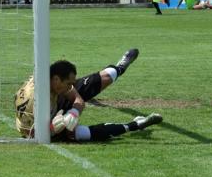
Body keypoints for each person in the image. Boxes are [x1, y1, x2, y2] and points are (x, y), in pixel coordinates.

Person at [14, 49, 163, 142]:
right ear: (56, 79)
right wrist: (53, 129)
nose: (71, 87)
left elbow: (78, 100)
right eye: (69, 84)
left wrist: (74, 112)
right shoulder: (34, 101)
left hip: (55, 101)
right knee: (78, 134)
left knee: (103, 78)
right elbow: (31, 135)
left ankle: (120, 67)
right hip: (35, 127)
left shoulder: (55, 82)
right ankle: (135, 125)